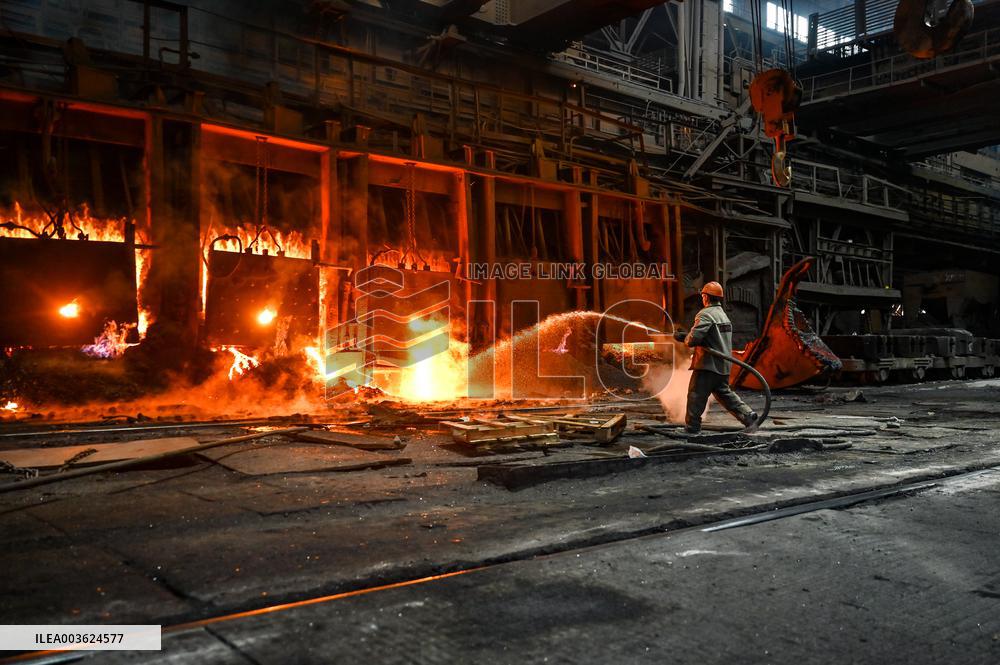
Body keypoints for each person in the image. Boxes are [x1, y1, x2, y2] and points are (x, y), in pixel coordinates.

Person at [673, 281, 757, 434]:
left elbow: (693, 340)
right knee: (724, 394)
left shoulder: (705, 314)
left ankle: (692, 428)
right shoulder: (722, 315)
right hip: (723, 365)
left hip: (708, 365)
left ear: (706, 296)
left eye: (703, 295)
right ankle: (748, 416)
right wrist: (689, 336)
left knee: (695, 395)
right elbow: (711, 337)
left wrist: (684, 338)